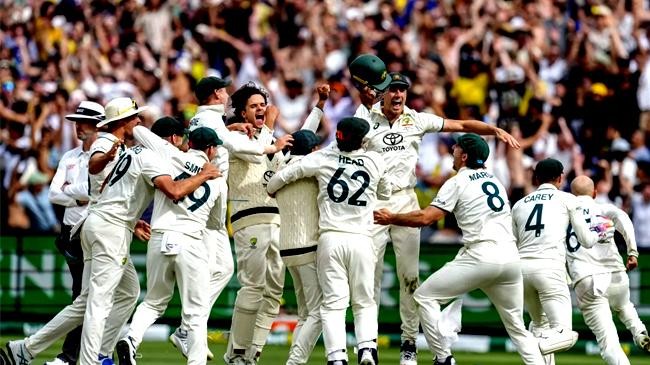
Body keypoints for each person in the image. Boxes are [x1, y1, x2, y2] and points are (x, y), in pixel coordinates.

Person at [1, 98, 220, 365]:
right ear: (170, 140)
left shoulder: (130, 152)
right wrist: (205, 175)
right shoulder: (147, 155)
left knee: (118, 294)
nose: (139, 123)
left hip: (99, 222)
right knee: (99, 303)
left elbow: (116, 190)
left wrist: (134, 219)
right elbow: (174, 191)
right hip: (110, 230)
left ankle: (24, 349)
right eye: (136, 119)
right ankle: (90, 361)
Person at [350, 63, 520, 364]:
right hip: (374, 203)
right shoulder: (365, 116)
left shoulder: (416, 119)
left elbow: (462, 126)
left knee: (410, 278)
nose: (399, 94)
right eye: (393, 89)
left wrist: (493, 130)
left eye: (403, 89)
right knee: (368, 277)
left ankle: (408, 344)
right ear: (382, 93)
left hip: (405, 199)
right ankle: (368, 344)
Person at [373, 133, 544, 365]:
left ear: (464, 156)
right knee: (518, 329)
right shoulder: (495, 181)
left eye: (457, 147)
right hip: (511, 259)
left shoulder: (457, 182)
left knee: (424, 296)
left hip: (482, 255)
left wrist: (392, 217)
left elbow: (426, 218)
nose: (452, 149)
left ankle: (443, 358)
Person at [267, 117, 391, 365]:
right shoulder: (376, 160)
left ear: (338, 135)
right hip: (361, 238)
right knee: (364, 301)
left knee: (333, 304)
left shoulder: (322, 158)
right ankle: (367, 349)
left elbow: (278, 180)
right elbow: (385, 192)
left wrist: (273, 188)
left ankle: (337, 357)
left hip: (330, 239)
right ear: (363, 140)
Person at [223, 82, 325, 365]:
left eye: (262, 105)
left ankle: (252, 353)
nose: (261, 109)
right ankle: (236, 353)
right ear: (243, 113)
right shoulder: (236, 139)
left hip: (277, 222)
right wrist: (267, 131)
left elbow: (302, 139)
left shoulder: (273, 143)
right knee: (252, 287)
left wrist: (319, 106)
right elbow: (250, 148)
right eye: (254, 106)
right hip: (248, 220)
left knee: (273, 293)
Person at [116, 121, 227, 365]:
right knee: (195, 312)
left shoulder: (170, 155)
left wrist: (133, 120)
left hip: (160, 236)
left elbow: (140, 132)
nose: (217, 153)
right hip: (190, 240)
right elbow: (217, 223)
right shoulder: (218, 178)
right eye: (215, 149)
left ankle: (131, 338)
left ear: (191, 144)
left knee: (153, 301)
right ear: (209, 150)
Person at [511, 158, 610, 365]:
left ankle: (534, 348)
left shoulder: (519, 205)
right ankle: (531, 347)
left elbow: (512, 243)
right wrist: (602, 230)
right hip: (550, 269)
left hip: (521, 271)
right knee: (566, 335)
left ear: (536, 178)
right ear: (560, 178)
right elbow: (586, 240)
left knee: (540, 327)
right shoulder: (567, 199)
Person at [568, 175, 650, 365]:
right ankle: (639, 331)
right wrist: (632, 252)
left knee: (609, 344)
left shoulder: (565, 211)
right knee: (624, 305)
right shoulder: (602, 207)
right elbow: (624, 218)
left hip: (587, 279)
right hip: (616, 274)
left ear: (572, 194)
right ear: (595, 193)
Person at [45, 101, 102, 365]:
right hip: (71, 232)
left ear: (97, 124)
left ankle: (71, 357)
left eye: (83, 120)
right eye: (76, 120)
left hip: (96, 228)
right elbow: (53, 194)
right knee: (82, 295)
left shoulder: (105, 155)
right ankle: (89, 355)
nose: (78, 125)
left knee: (85, 296)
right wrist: (78, 195)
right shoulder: (69, 156)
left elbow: (94, 192)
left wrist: (74, 191)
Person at [274, 129, 322, 365]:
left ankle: (295, 359)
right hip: (307, 246)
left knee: (306, 313)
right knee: (320, 311)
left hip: (287, 248)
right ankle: (295, 361)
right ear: (312, 150)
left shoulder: (282, 167)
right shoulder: (312, 168)